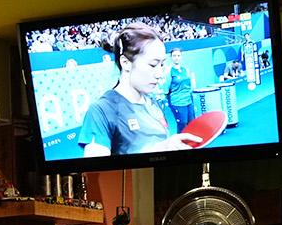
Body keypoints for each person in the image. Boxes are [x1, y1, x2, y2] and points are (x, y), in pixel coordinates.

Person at [77, 25, 200, 157]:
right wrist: (158, 150)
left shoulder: (154, 103)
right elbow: (96, 173)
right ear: (126, 63)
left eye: (162, 64)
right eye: (153, 65)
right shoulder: (101, 110)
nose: (160, 74)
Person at [165, 47, 196, 134]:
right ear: (171, 57)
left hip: (188, 100)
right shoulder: (169, 71)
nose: (176, 57)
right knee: (182, 124)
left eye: (178, 55)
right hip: (177, 101)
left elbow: (190, 84)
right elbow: (166, 88)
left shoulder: (185, 69)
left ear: (181, 57)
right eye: (174, 56)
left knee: (192, 122)